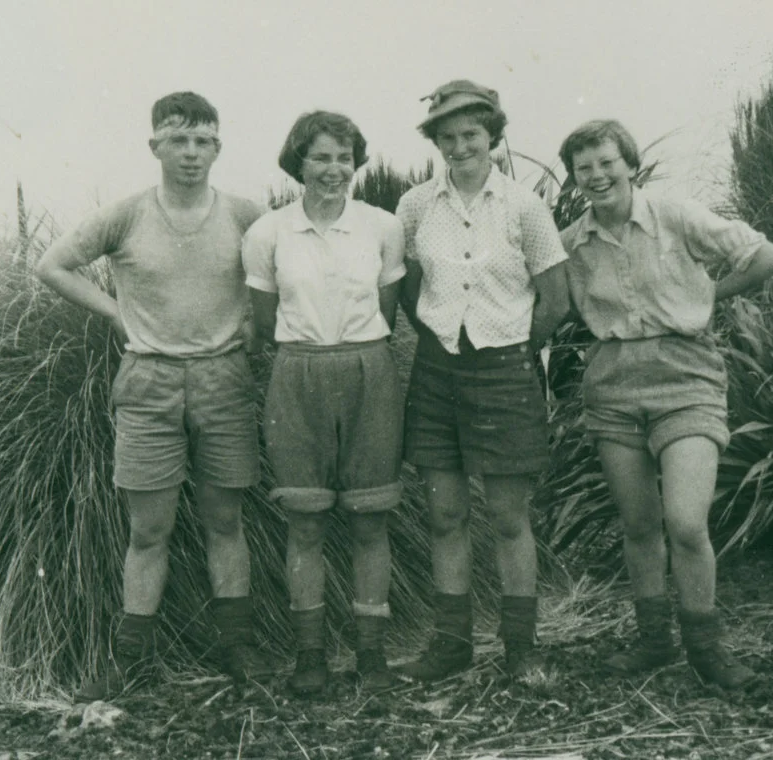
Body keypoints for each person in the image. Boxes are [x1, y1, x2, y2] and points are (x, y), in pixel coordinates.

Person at [35, 91, 272, 699]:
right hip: (148, 381)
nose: (190, 153)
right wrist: (118, 315)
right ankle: (131, 660)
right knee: (149, 529)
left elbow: (283, 270)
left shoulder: (246, 214)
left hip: (224, 380)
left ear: (217, 147)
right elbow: (53, 265)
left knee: (225, 520)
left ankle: (238, 650)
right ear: (155, 146)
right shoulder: (127, 214)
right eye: (178, 140)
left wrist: (253, 324)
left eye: (202, 141)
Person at [558, 119, 773, 689]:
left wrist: (711, 296)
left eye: (607, 163)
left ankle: (706, 650)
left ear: (630, 164)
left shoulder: (676, 215)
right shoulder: (572, 243)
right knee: (638, 524)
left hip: (686, 375)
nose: (596, 176)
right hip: (612, 381)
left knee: (685, 522)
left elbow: (769, 258)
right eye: (583, 168)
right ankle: (655, 642)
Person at [396, 80, 569, 681]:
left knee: (508, 517)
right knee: (444, 515)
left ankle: (520, 647)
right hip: (438, 368)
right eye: (447, 136)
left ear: (493, 136)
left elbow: (555, 298)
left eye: (471, 134)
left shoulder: (525, 206)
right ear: (435, 142)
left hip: (505, 370)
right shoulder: (416, 205)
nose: (459, 145)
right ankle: (451, 644)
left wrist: (515, 347)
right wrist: (443, 333)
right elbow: (408, 287)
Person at [242, 111, 406, 697]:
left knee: (370, 517)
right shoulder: (268, 234)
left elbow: (388, 311)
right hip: (298, 373)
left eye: (344, 157)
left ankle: (372, 653)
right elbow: (264, 322)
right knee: (305, 520)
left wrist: (355, 352)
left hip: (369, 370)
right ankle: (310, 655)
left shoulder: (383, 227)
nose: (334, 170)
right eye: (321, 158)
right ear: (298, 164)